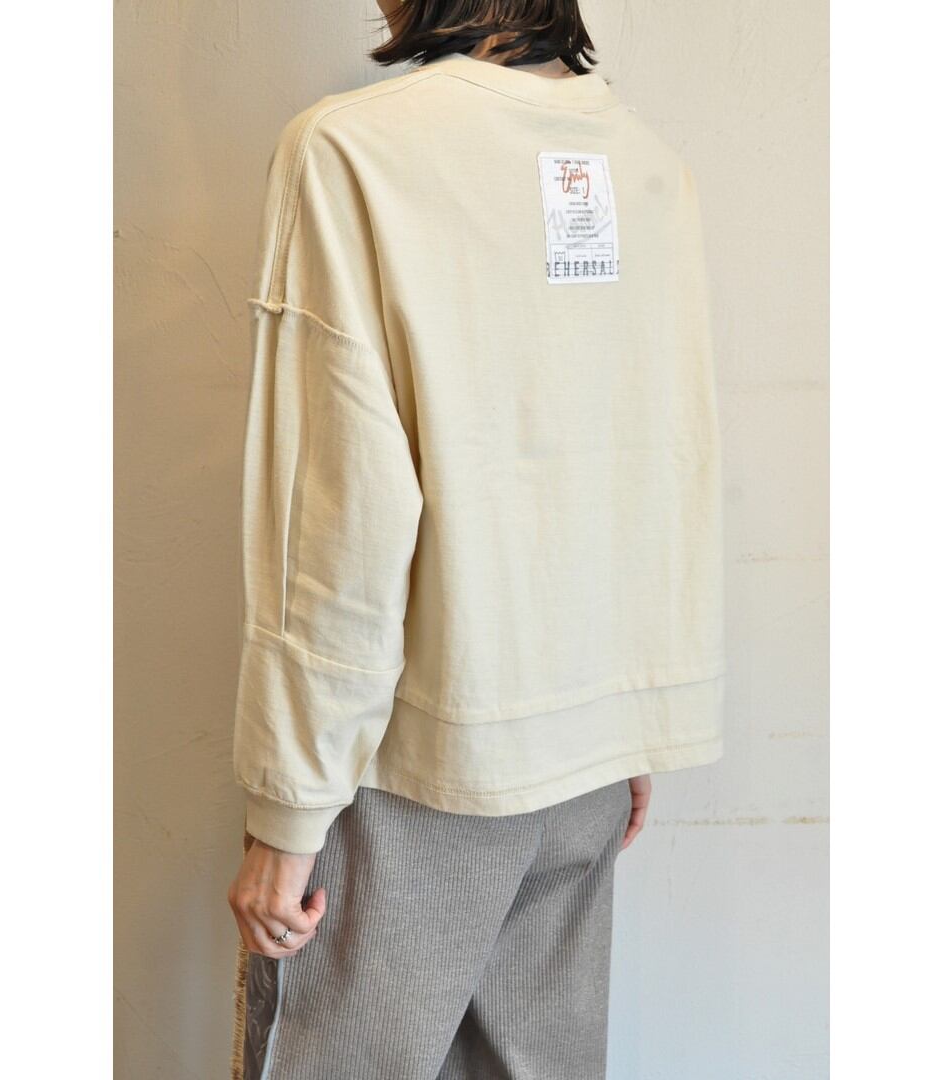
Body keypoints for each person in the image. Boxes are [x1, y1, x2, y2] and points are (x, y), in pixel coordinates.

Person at [227, 2, 725, 1077]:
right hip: (586, 765)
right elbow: (652, 452)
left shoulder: (353, 153)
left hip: (414, 766)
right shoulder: (647, 166)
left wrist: (288, 809)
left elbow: (336, 511)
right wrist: (623, 727)